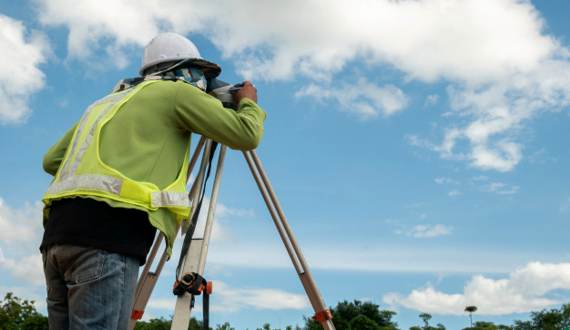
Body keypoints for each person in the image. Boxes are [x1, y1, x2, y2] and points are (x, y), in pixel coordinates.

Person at [40, 32, 266, 329]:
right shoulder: (175, 93)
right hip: (108, 237)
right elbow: (246, 135)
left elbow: (51, 161)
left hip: (57, 240)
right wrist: (248, 103)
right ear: (185, 70)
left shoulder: (105, 103)